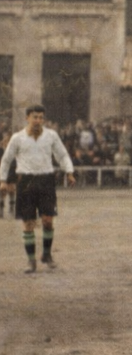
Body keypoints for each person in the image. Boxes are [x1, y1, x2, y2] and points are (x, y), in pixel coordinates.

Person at [0, 105, 76, 273]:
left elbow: (62, 154)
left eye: (41, 118)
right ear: (27, 118)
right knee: (28, 223)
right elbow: (6, 160)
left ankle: (47, 254)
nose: (38, 121)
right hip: (25, 181)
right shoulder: (17, 138)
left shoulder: (51, 136)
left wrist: (69, 171)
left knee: (48, 220)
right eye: (35, 117)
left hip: (46, 180)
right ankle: (31, 260)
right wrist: (3, 180)